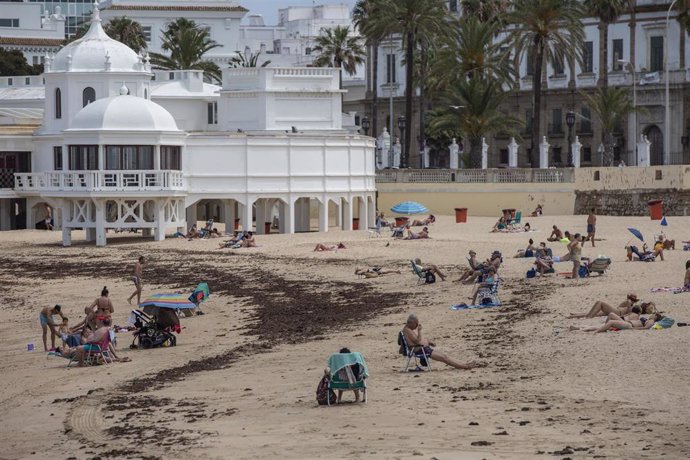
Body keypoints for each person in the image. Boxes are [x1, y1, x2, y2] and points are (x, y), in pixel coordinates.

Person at [402, 314, 477, 370]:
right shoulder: (408, 330)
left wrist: (428, 341)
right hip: (421, 351)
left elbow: (416, 341)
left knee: (445, 356)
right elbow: (418, 341)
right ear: (412, 322)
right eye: (416, 323)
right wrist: (419, 331)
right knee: (444, 358)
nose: (417, 325)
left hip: (423, 349)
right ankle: (466, 366)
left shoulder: (408, 329)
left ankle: (465, 363)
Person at [570, 311, 663, 333]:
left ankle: (597, 331)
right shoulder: (648, 319)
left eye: (654, 314)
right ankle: (579, 328)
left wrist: (633, 328)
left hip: (629, 325)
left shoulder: (651, 321)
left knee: (610, 322)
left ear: (655, 316)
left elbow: (646, 328)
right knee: (610, 317)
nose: (652, 314)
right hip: (627, 323)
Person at [568, 293, 639, 318]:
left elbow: (629, 313)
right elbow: (619, 306)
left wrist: (629, 304)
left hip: (617, 313)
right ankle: (574, 316)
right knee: (595, 312)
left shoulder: (631, 306)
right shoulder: (627, 303)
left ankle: (588, 317)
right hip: (616, 311)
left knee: (600, 302)